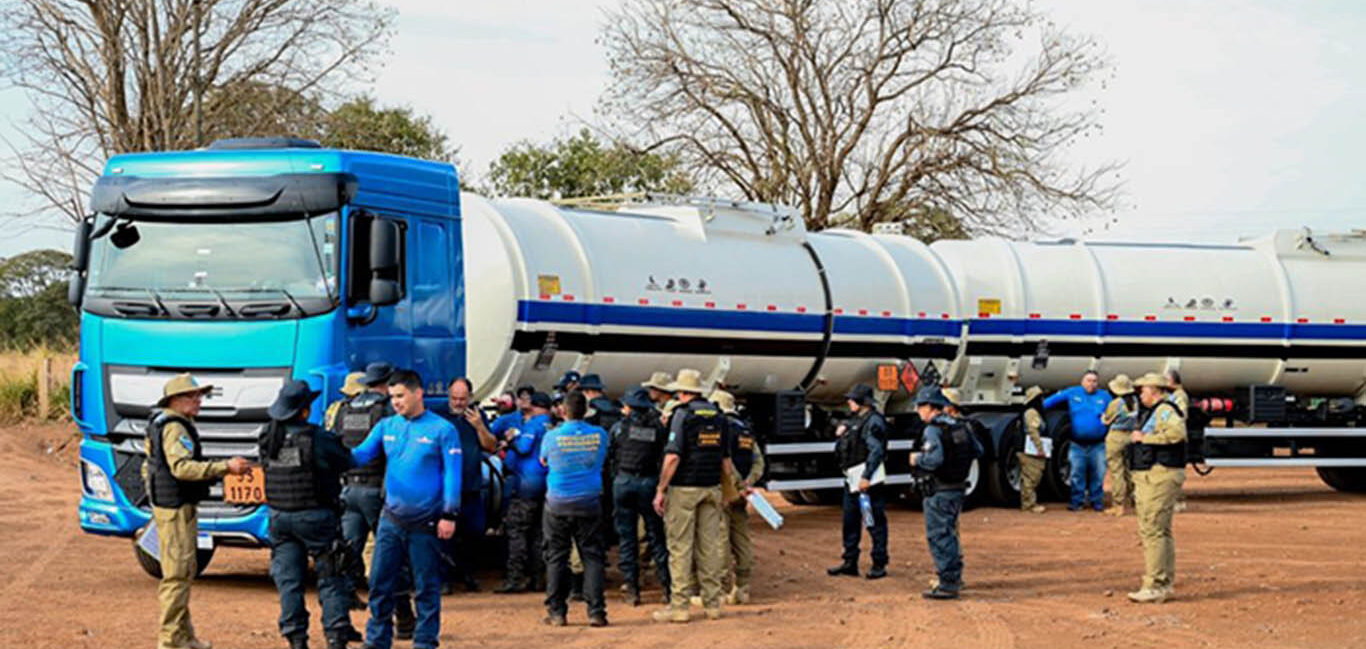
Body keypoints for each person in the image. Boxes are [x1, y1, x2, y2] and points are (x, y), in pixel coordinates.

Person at [351, 370, 462, 649]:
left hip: (426, 523)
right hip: (391, 520)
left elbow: (453, 475)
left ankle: (424, 641)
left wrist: (449, 514)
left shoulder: (443, 430)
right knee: (379, 583)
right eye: (392, 397)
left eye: (400, 396)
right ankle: (377, 641)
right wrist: (328, 449)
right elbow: (360, 455)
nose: (396, 402)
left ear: (418, 393)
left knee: (426, 587)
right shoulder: (386, 426)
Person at [141, 373, 251, 649]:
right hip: (176, 508)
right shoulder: (175, 427)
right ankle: (169, 641)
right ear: (174, 400)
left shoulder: (162, 423)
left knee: (184, 571)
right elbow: (181, 468)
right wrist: (224, 467)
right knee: (177, 576)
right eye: (192, 396)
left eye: (200, 395)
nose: (199, 400)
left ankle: (183, 636)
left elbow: (148, 466)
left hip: (172, 506)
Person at [259, 380, 359, 649]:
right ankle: (336, 636)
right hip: (316, 517)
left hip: (279, 517)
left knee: (289, 582)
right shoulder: (317, 438)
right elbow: (347, 461)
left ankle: (296, 639)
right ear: (304, 411)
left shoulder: (268, 436)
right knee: (331, 577)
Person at [652, 369, 741, 623]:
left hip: (684, 489)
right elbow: (726, 460)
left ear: (682, 392)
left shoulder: (682, 415)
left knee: (680, 548)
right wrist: (728, 490)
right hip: (711, 487)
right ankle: (713, 604)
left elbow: (673, 457)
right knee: (709, 547)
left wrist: (661, 489)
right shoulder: (719, 416)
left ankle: (679, 607)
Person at [333, 362, 410, 626]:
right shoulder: (387, 410)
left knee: (347, 552)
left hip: (349, 488)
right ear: (387, 384)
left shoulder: (345, 408)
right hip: (377, 491)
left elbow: (338, 445)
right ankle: (403, 616)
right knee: (391, 552)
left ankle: (340, 615)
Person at [539, 391, 611, 627]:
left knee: (556, 557)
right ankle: (596, 612)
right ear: (586, 411)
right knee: (592, 556)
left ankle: (557, 612)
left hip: (558, 502)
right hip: (589, 501)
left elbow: (543, 461)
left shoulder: (552, 436)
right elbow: (604, 457)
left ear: (563, 411)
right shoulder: (600, 434)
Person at [910, 387, 983, 600]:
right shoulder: (961, 426)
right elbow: (978, 451)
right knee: (950, 533)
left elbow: (934, 460)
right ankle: (954, 578)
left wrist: (917, 459)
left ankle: (948, 583)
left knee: (939, 535)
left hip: (939, 489)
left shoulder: (933, 430)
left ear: (931, 407)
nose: (918, 411)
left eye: (920, 406)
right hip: (957, 488)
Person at [1127, 373, 1188, 604]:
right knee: (1158, 530)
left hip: (1159, 474)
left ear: (1154, 391)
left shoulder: (1165, 410)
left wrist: (1145, 438)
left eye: (1143, 390)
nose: (1140, 394)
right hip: (1151, 475)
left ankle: (1155, 585)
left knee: (1153, 530)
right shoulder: (1153, 411)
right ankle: (1162, 581)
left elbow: (1177, 434)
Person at [610, 386, 671, 606]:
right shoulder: (657, 428)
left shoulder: (619, 428)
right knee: (656, 536)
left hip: (623, 483)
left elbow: (611, 455)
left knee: (627, 538)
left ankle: (632, 589)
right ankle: (667, 588)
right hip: (648, 483)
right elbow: (663, 454)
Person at [827, 384, 890, 580]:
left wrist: (866, 477)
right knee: (850, 521)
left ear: (863, 402)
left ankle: (879, 563)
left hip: (865, 484)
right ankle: (850, 562)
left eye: (853, 399)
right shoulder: (857, 419)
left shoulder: (873, 422)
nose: (849, 402)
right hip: (852, 481)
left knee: (872, 521)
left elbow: (876, 451)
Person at [442, 377, 498, 593]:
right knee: (444, 535)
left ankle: (467, 574)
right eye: (454, 398)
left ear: (470, 397)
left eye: (462, 399)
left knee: (474, 532)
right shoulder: (439, 416)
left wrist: (479, 426)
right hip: (446, 489)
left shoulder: (477, 416)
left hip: (472, 486)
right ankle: (444, 579)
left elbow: (491, 446)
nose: (458, 403)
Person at [494, 392, 553, 594]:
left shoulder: (533, 425)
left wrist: (511, 441)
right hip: (546, 484)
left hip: (526, 485)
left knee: (517, 532)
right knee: (538, 533)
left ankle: (515, 578)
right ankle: (538, 578)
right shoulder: (552, 426)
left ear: (534, 407)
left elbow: (524, 448)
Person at [712, 389, 765, 605]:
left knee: (721, 539)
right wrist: (748, 482)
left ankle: (723, 588)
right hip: (743, 493)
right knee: (741, 538)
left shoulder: (721, 428)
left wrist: (735, 484)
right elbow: (759, 462)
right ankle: (743, 587)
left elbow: (724, 460)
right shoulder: (746, 431)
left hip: (726, 491)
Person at [1043, 370, 1112, 511]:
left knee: (1098, 474)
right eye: (1088, 380)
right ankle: (1077, 502)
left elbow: (1116, 412)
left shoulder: (1105, 396)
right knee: (1076, 474)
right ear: (1082, 382)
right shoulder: (1072, 393)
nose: (1091, 384)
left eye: (1094, 381)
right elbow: (1049, 402)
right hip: (1077, 444)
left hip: (1098, 444)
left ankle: (1097, 502)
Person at [1102, 375, 1139, 517]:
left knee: (1116, 471)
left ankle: (1118, 504)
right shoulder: (1135, 402)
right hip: (1129, 436)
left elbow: (1106, 420)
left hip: (1116, 437)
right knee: (1129, 470)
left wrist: (1103, 418)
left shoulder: (1116, 403)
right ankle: (1132, 499)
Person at [1018, 386, 1048, 514]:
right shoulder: (1031, 412)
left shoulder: (1031, 411)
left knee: (1032, 476)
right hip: (1030, 450)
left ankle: (1030, 503)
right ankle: (1028, 505)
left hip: (1031, 449)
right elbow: (1033, 431)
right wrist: (1040, 448)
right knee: (1031, 477)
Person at [1165, 369, 1191, 513]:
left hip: (1176, 437)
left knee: (1175, 471)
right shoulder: (1171, 395)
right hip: (1171, 436)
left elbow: (1181, 415)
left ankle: (1178, 501)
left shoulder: (1179, 396)